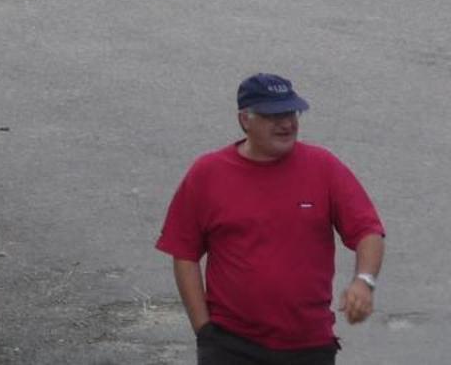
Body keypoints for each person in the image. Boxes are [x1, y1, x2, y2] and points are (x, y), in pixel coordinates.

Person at [157, 73, 386, 365]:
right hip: (231, 345)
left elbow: (368, 230)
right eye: (273, 115)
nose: (287, 124)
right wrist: (204, 331)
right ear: (245, 120)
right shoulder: (208, 174)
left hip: (309, 345)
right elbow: (184, 253)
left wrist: (364, 282)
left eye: (291, 113)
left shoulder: (323, 167)